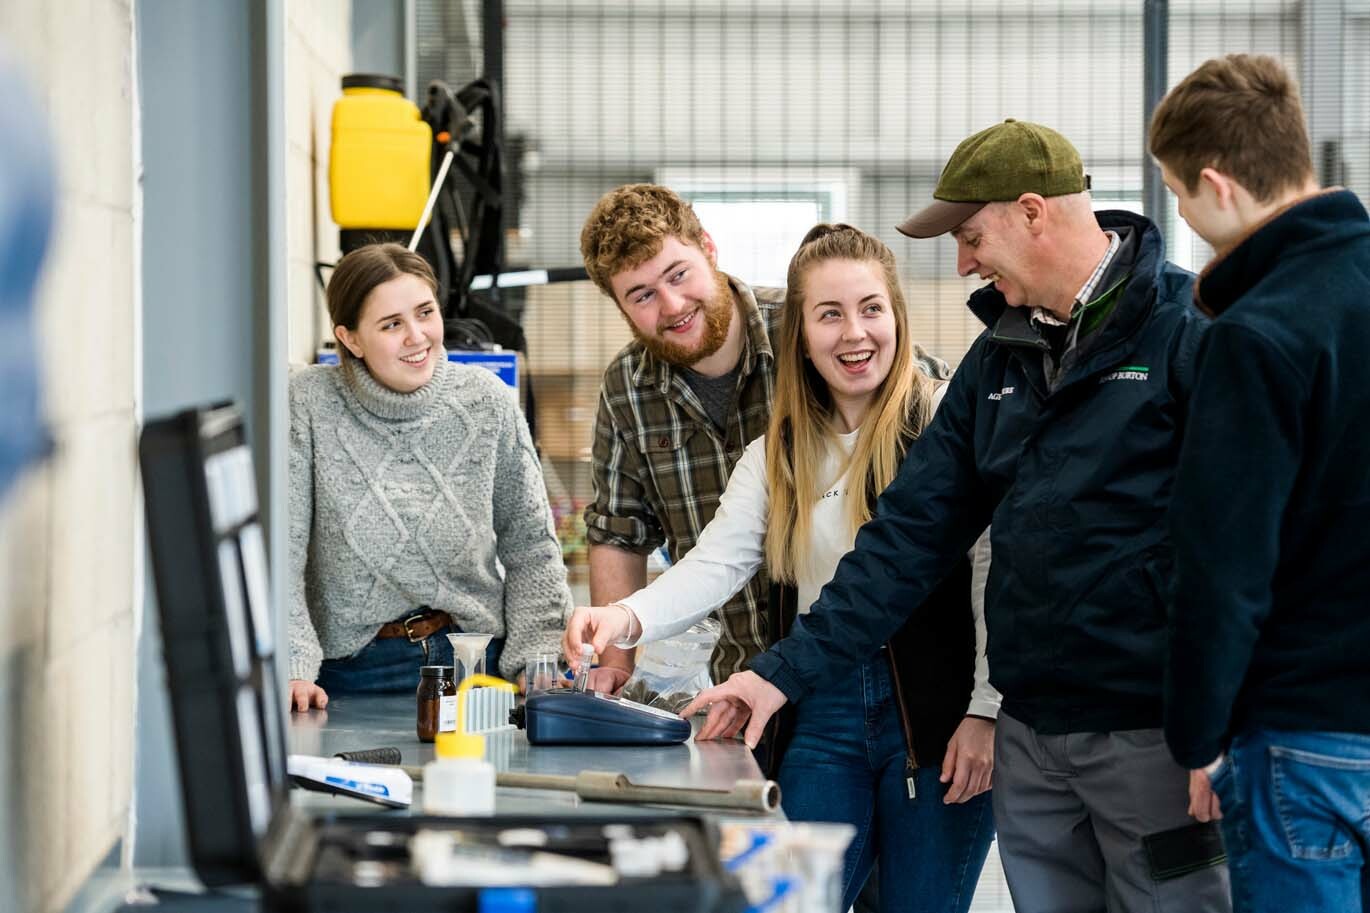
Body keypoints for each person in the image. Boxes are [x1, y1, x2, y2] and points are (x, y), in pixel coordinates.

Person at [682, 120, 1231, 913]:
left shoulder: (1188, 330)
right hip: (1034, 746)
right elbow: (907, 536)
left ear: (1033, 212)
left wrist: (1224, 715)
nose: (965, 261)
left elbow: (1242, 540)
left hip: (1149, 736)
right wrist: (778, 673)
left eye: (973, 236)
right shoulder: (1000, 358)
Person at [567, 224, 998, 913]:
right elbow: (714, 562)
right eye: (829, 314)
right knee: (788, 902)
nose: (854, 333)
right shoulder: (777, 455)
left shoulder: (947, 422)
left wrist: (987, 709)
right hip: (817, 702)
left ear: (898, 316)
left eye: (871, 308)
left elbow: (990, 574)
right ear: (800, 333)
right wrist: (621, 615)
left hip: (937, 713)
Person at [578, 184, 949, 701]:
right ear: (620, 306)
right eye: (641, 296)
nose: (672, 304)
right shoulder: (628, 389)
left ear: (708, 247)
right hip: (742, 674)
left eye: (677, 274)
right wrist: (614, 660)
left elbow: (913, 393)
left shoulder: (808, 325)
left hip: (890, 669)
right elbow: (624, 531)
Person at [1150, 54, 1370, 913]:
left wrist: (1200, 735)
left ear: (1217, 183)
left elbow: (1223, 564)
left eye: (1177, 191)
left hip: (1305, 738)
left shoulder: (1259, 334)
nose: (1181, 213)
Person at [286, 243, 570, 710]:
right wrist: (295, 668)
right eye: (392, 324)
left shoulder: (487, 400)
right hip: (351, 674)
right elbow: (284, 552)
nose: (417, 336)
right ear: (351, 338)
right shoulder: (308, 403)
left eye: (425, 313)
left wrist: (537, 660)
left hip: (474, 664)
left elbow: (532, 546)